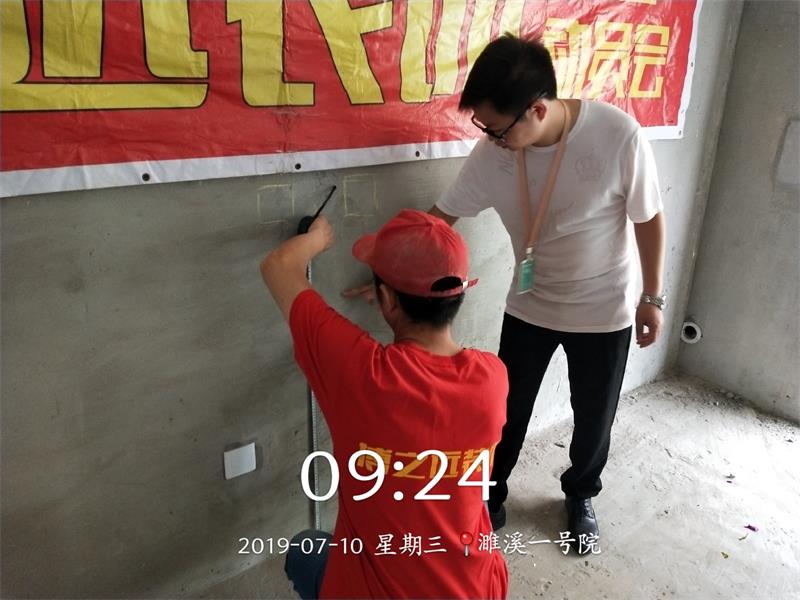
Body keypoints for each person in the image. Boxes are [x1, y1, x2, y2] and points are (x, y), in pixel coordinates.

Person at [428, 33, 667, 551]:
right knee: (503, 413)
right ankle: (490, 496)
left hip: (603, 311)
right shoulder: (493, 153)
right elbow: (440, 219)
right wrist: (393, 267)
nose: (490, 139)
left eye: (497, 129)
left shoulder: (617, 136)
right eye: (483, 127)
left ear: (537, 110)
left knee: (593, 420)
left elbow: (648, 218)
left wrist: (652, 297)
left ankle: (580, 495)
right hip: (529, 307)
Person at [260, 209, 509, 599]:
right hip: (478, 588)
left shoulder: (362, 374)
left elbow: (278, 266)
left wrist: (318, 238)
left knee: (304, 549)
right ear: (460, 294)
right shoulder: (492, 378)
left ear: (387, 299)